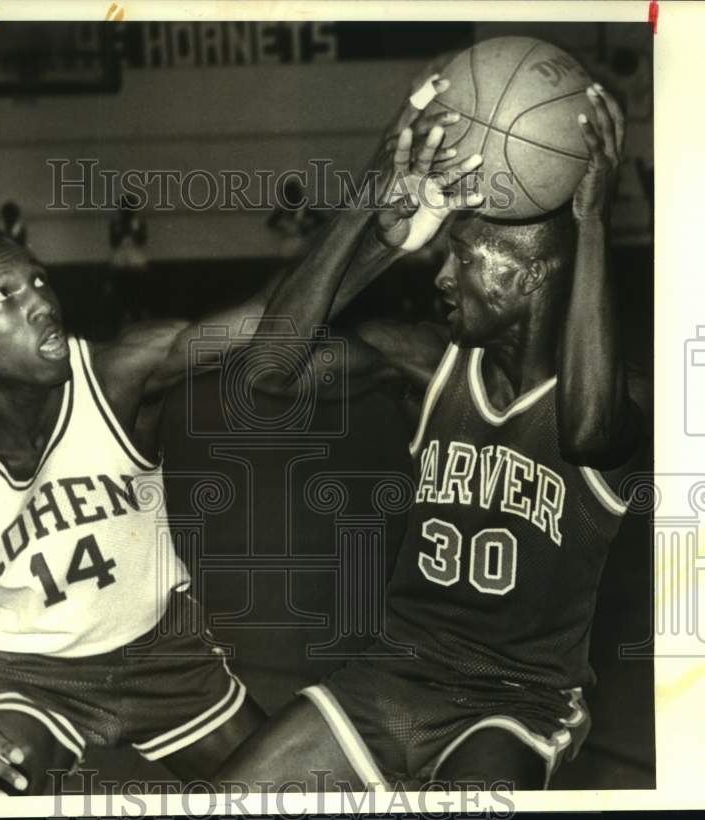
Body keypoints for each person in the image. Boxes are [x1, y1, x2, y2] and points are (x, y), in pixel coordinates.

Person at [0, 153, 477, 795]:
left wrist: (372, 231)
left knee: (299, 798)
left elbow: (272, 325)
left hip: (169, 660)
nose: (39, 303)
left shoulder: (122, 373)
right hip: (32, 676)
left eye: (38, 282)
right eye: (4, 297)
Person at [213, 78, 648, 791]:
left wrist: (593, 223)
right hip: (391, 676)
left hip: (514, 704)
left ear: (530, 276)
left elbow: (592, 434)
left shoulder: (620, 394)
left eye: (467, 256)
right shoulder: (426, 362)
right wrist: (373, 220)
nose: (443, 277)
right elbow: (268, 372)